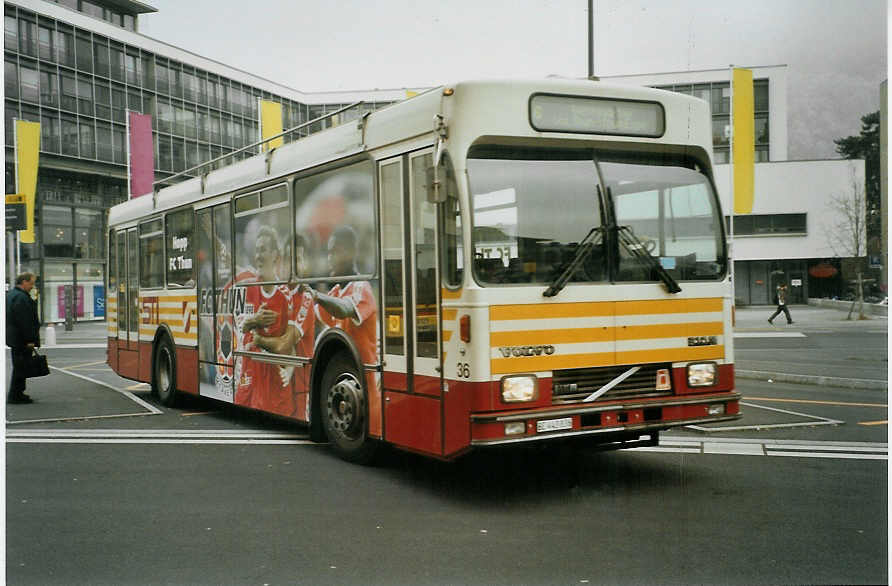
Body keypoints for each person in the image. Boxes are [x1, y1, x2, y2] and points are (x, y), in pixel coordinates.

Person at [303, 225, 378, 366]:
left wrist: (316, 295)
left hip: (364, 375)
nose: (329, 258)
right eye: (328, 253)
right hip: (345, 371)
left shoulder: (361, 287)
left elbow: (344, 309)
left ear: (351, 253)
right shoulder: (336, 292)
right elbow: (313, 317)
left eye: (335, 252)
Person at [6, 272, 41, 404]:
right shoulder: (21, 297)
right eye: (31, 283)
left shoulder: (11, 295)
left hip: (14, 337)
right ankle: (16, 395)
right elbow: (25, 321)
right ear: (24, 282)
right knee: (21, 367)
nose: (32, 286)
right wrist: (30, 340)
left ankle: (18, 393)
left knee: (19, 366)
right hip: (21, 339)